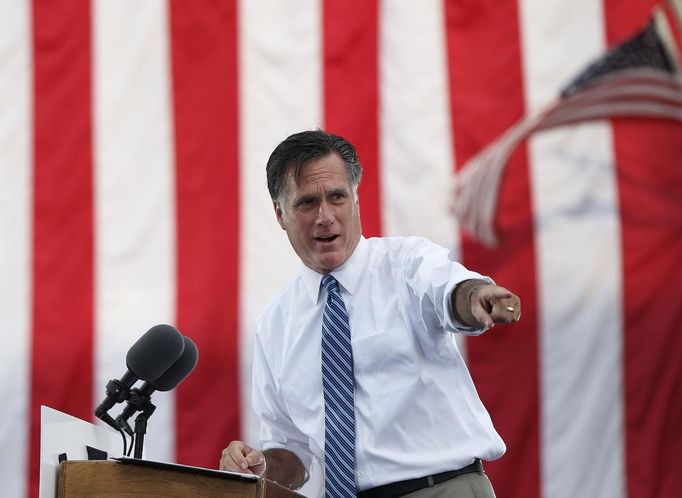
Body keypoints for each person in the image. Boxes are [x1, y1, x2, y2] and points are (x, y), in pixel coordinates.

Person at [220, 130, 521, 497]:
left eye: (337, 197)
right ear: (281, 214)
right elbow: (292, 451)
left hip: (440, 488)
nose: (325, 216)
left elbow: (452, 292)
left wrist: (477, 298)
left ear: (356, 199)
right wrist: (261, 464)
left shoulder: (407, 264)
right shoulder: (274, 325)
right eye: (307, 203)